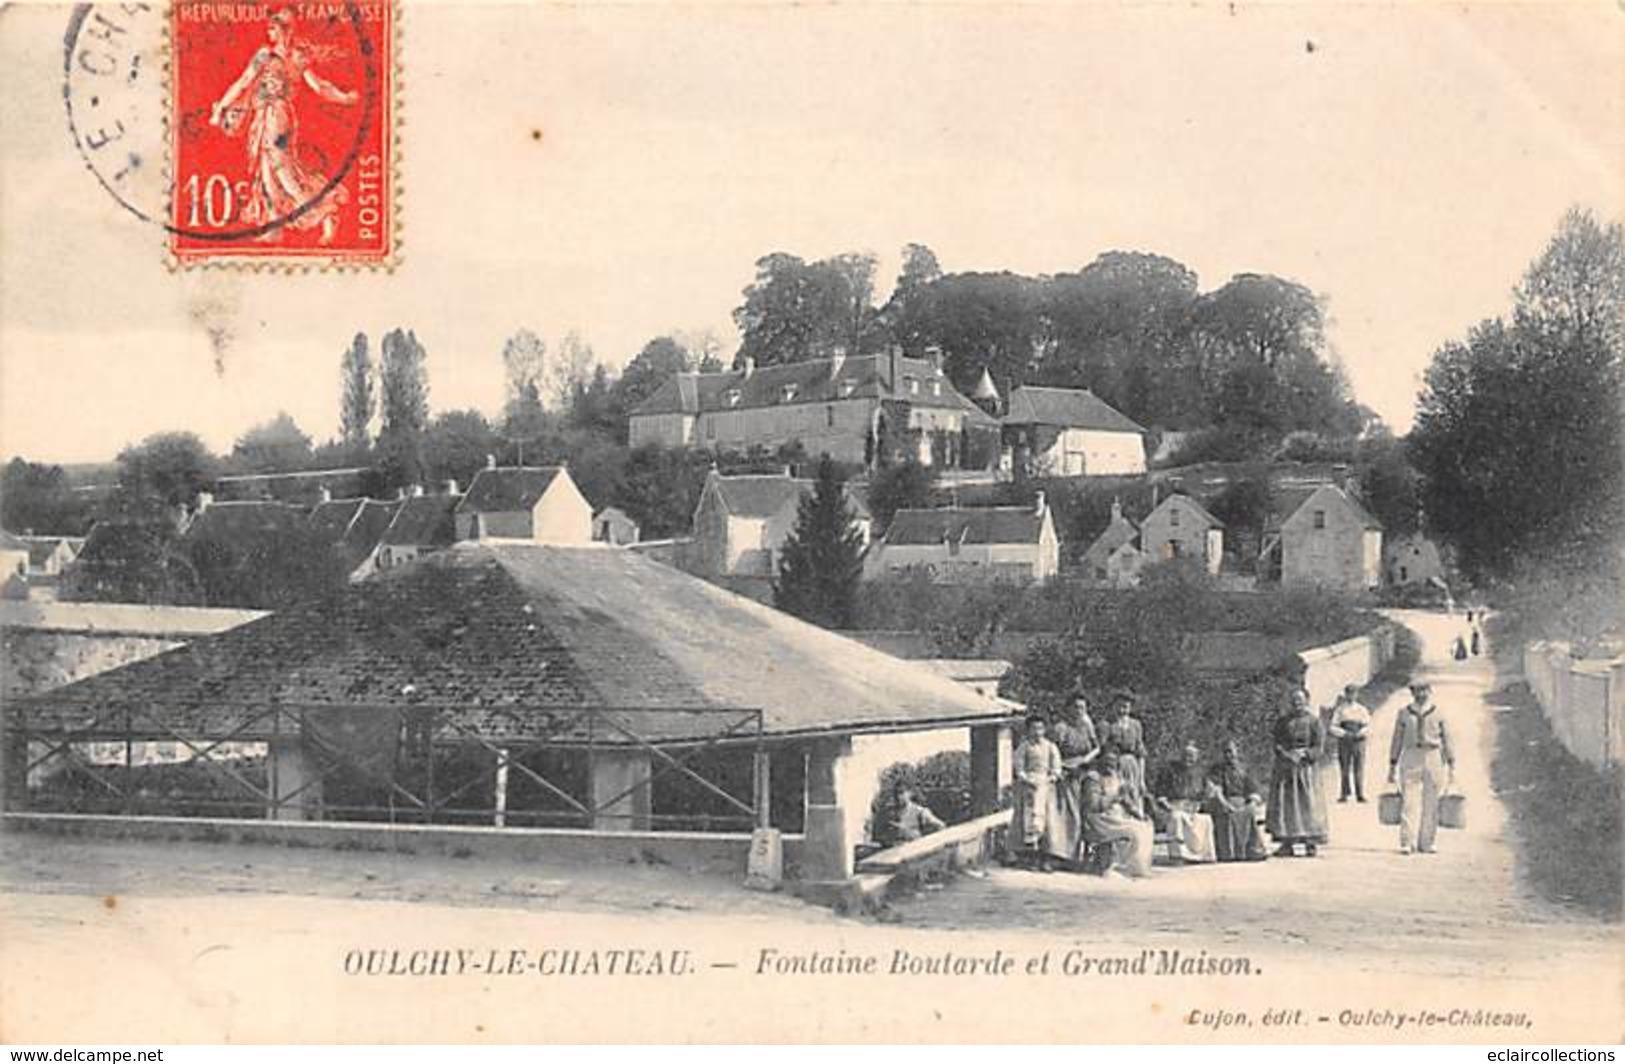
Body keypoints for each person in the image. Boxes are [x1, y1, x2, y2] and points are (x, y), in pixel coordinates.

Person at [208, 8, 360, 245]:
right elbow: (245, 82)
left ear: (284, 30)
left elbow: (317, 86)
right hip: (268, 117)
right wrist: (345, 98)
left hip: (276, 117)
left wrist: (220, 109)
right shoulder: (282, 56)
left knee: (283, 172)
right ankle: (274, 226)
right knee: (268, 171)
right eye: (269, 27)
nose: (269, 31)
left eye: (273, 27)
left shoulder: (278, 56)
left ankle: (325, 213)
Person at [1387, 681, 1456, 855]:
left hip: (1433, 755)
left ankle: (1427, 842)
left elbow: (1447, 738)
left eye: (1424, 690)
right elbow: (1397, 739)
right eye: (1417, 691)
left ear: (1430, 691)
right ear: (1412, 693)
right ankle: (1407, 842)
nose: (1421, 694)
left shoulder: (1439, 712)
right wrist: (1392, 763)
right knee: (1409, 801)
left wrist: (1451, 762)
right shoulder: (1404, 713)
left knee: (1431, 801)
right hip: (1411, 755)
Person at [1267, 687, 1329, 856]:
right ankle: (1287, 843)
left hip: (1306, 769)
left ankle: (1310, 842)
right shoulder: (1282, 722)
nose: (1297, 704)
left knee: (1309, 804)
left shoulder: (1314, 722)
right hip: (1286, 768)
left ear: (1307, 702)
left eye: (1300, 701)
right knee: (1287, 806)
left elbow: (1319, 746)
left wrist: (1306, 754)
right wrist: (1286, 754)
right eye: (1294, 701)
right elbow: (1277, 743)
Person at [1047, 696, 1101, 869]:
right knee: (1070, 816)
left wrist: (1086, 759)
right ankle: (1064, 856)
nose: (1079, 711)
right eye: (1076, 707)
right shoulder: (1061, 728)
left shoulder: (1086, 727)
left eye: (1082, 708)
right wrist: (1063, 767)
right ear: (1068, 709)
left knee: (1089, 813)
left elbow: (1096, 747)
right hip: (1066, 773)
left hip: (1084, 772)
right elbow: (1051, 752)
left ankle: (1083, 854)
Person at [1082, 752, 1155, 878]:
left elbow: (1125, 801)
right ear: (1100, 761)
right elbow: (1095, 805)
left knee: (1145, 826)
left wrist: (1138, 814)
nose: (1110, 765)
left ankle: (1138, 867)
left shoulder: (1117, 777)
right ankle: (1120, 868)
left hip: (1116, 817)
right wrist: (1114, 797)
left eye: (1113, 762)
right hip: (1099, 819)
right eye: (1107, 761)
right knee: (1135, 831)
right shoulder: (1093, 779)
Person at [1010, 717, 1063, 870]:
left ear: (1044, 730)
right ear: (1028, 730)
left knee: (1047, 821)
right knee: (1029, 821)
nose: (1037, 732)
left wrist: (1052, 777)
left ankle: (1045, 859)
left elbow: (1056, 767)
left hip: (1046, 786)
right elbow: (1018, 767)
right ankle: (1030, 858)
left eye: (1040, 728)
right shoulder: (1024, 747)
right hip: (1029, 786)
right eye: (1034, 728)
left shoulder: (1050, 746)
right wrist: (1026, 779)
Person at [1153, 743, 1217, 863]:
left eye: (1192, 756)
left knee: (1205, 820)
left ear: (1196, 757)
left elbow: (1207, 792)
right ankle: (1178, 856)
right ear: (1181, 756)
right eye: (1186, 755)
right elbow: (1160, 794)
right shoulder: (1170, 771)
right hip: (1174, 806)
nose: (1188, 759)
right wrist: (1169, 806)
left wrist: (1202, 801)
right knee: (1176, 818)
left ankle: (1203, 856)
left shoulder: (1200, 773)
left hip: (1192, 807)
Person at [1205, 741, 1269, 862]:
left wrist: (1252, 802)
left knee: (1249, 813)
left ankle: (1252, 852)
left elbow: (1253, 788)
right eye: (1227, 752)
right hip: (1224, 801)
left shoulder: (1244, 769)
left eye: (1232, 751)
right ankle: (1229, 853)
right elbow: (1216, 789)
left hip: (1242, 801)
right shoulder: (1217, 770)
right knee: (1228, 815)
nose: (1230, 755)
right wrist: (1225, 804)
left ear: (1237, 752)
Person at [1101, 690, 1149, 818]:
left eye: (1126, 707)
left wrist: (1142, 779)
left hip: (1132, 766)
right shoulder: (1107, 724)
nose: (1122, 710)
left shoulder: (1136, 725)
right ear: (1113, 706)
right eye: (1119, 706)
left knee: (1134, 794)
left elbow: (1141, 753)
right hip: (1115, 765)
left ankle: (1136, 825)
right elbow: (1103, 749)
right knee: (1118, 794)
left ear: (1130, 708)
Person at [1329, 684, 1372, 803]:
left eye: (1353, 693)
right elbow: (1332, 726)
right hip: (1345, 741)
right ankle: (1344, 793)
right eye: (1349, 693)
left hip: (1359, 741)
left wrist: (1361, 733)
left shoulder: (1362, 709)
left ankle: (1360, 794)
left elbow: (1368, 725)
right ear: (1345, 694)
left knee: (1359, 767)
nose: (1351, 695)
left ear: (1357, 694)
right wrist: (1343, 734)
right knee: (1344, 767)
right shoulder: (1340, 709)